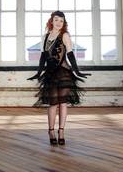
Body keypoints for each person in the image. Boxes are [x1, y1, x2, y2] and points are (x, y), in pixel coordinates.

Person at [28, 11, 91, 145]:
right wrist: (38, 73)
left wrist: (77, 72)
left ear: (64, 23)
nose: (58, 23)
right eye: (56, 20)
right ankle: (51, 131)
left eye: (61, 21)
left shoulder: (65, 35)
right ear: (51, 21)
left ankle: (61, 131)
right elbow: (43, 56)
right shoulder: (45, 36)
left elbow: (70, 54)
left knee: (62, 103)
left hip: (64, 73)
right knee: (53, 104)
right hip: (50, 74)